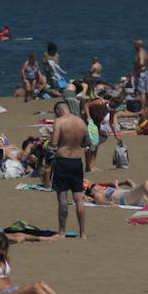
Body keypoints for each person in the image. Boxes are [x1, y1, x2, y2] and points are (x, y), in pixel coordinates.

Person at [49, 100, 87, 236]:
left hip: (63, 161)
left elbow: (53, 143)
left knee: (63, 197)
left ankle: (62, 231)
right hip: (77, 161)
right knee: (79, 198)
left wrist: (51, 141)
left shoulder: (59, 122)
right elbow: (86, 141)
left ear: (58, 111)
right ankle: (83, 233)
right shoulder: (81, 122)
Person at [83, 178, 148, 207]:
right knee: (145, 184)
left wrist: (118, 186)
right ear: (91, 192)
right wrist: (110, 203)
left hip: (134, 196)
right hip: (127, 199)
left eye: (94, 183)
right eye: (93, 186)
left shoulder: (107, 189)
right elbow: (100, 202)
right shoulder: (98, 195)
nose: (96, 185)